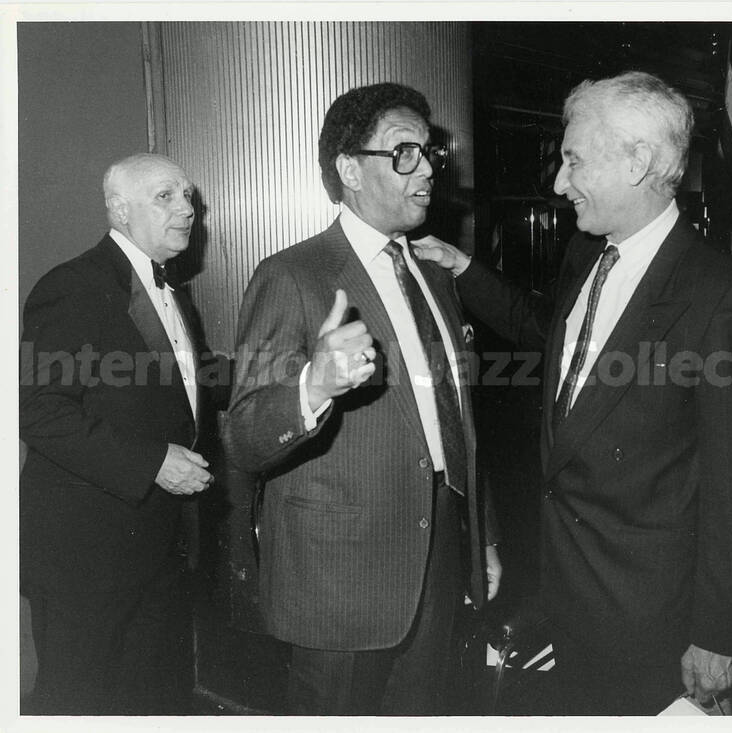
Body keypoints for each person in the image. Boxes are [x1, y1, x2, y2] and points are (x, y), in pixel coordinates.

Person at [414, 71, 732, 715]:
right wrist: (463, 269)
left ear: (637, 163)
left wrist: (717, 635)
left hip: (649, 620)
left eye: (574, 159)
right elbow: (551, 332)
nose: (558, 181)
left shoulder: (719, 295)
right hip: (566, 591)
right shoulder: (586, 253)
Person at [224, 82, 501, 715]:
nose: (427, 168)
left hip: (440, 552)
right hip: (340, 575)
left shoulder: (433, 273)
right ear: (350, 169)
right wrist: (313, 385)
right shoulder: (294, 275)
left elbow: (457, 417)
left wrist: (482, 536)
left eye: (429, 152)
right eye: (404, 153)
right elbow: (242, 433)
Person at [20, 153, 213, 714]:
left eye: (189, 198)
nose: (187, 210)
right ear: (118, 209)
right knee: (79, 702)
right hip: (86, 555)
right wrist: (151, 462)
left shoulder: (173, 290)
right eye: (166, 197)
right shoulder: (73, 285)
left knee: (148, 699)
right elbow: (35, 408)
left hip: (157, 545)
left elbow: (172, 397)